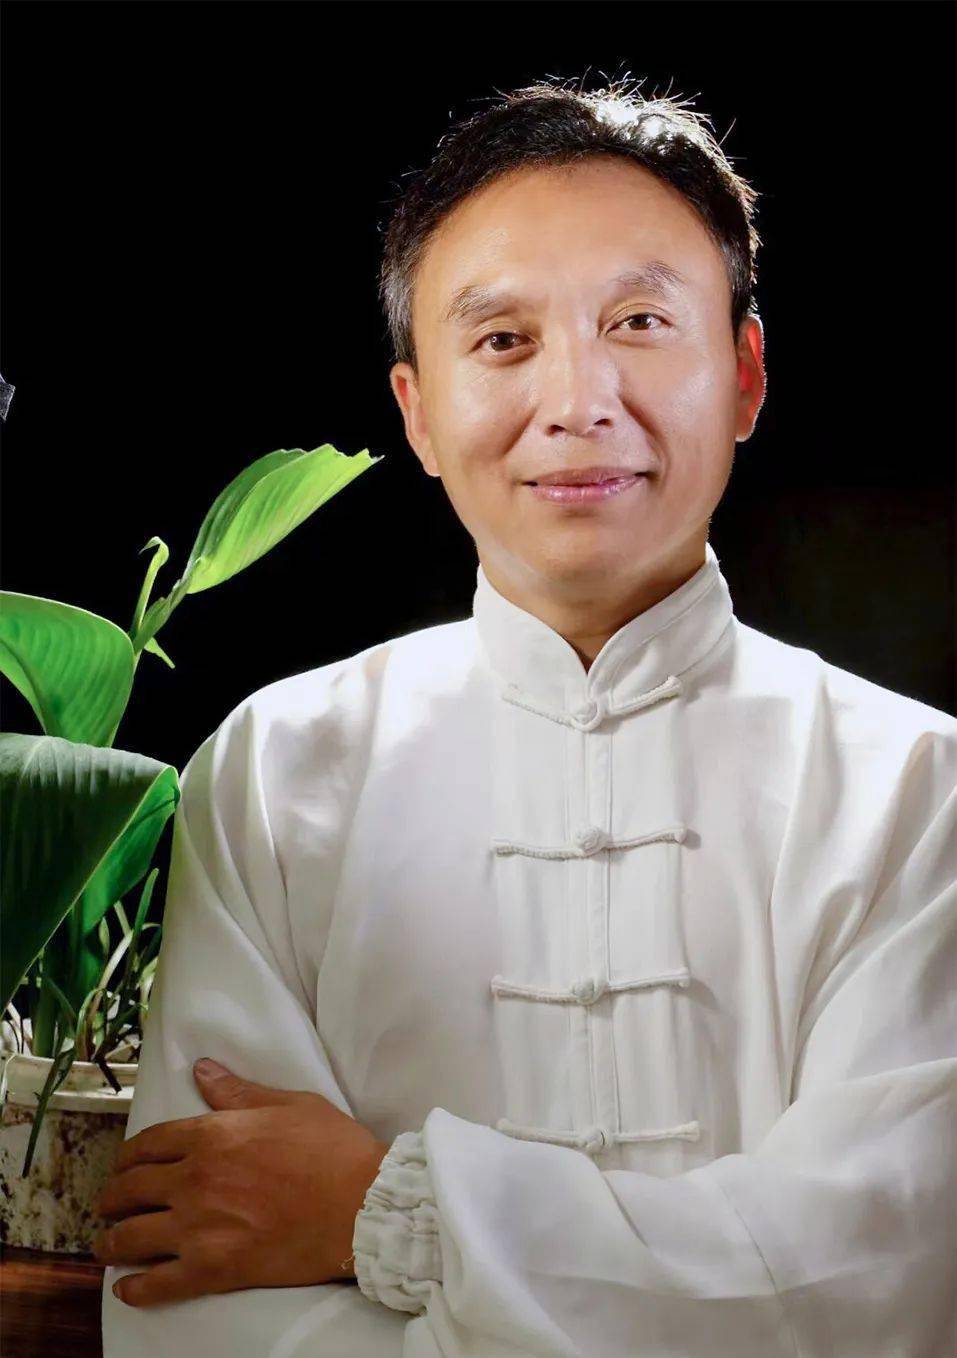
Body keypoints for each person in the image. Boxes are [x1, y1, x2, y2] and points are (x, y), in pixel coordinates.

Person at [101, 76, 956, 1357]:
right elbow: (198, 1302)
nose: (579, 399)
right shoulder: (278, 772)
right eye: (503, 340)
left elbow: (896, 1269)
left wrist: (386, 1211)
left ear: (745, 376)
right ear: (418, 413)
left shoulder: (918, 789)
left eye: (639, 321)